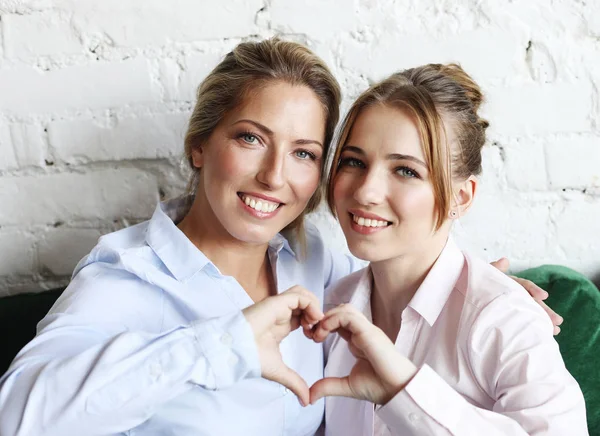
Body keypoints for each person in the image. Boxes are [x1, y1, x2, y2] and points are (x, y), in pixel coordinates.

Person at [0, 39, 559, 436]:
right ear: (199, 145)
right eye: (249, 138)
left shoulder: (316, 263)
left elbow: (404, 271)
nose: (274, 176)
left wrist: (486, 289)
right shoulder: (127, 277)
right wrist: (218, 345)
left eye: (304, 154)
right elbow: (16, 417)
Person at [309, 64, 587, 435]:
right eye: (354, 162)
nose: (365, 192)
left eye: (406, 171)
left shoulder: (502, 319)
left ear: (461, 197)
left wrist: (404, 392)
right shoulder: (332, 304)